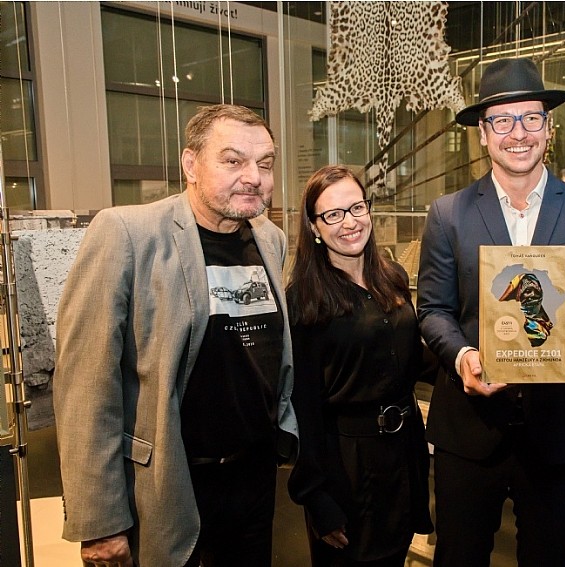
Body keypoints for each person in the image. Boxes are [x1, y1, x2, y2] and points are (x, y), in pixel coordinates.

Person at [52, 104, 298, 567]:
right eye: (233, 160)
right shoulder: (127, 234)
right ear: (191, 164)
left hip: (253, 483)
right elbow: (85, 387)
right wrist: (100, 520)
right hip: (168, 487)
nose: (253, 177)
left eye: (265, 164)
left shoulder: (270, 239)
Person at [416, 57, 565, 567]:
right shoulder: (448, 214)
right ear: (483, 134)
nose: (518, 133)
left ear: (548, 127)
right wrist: (463, 357)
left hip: (560, 429)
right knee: (459, 557)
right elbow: (433, 309)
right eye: (502, 120)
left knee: (549, 557)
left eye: (531, 117)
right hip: (470, 428)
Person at [286, 165, 433, 567]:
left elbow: (408, 360)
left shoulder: (393, 277)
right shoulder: (304, 300)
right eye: (333, 214)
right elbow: (302, 407)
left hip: (403, 456)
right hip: (347, 467)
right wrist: (316, 496)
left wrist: (472, 355)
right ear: (314, 227)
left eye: (356, 208)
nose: (349, 222)